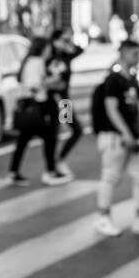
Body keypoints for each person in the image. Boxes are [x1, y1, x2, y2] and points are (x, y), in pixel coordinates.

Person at [90, 39, 139, 237]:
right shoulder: (113, 80)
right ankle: (103, 217)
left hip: (133, 137)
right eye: (135, 54)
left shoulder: (131, 79)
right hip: (115, 137)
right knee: (110, 176)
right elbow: (111, 109)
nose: (138, 58)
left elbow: (136, 109)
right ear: (123, 53)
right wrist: (126, 133)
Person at [6, 36, 72, 187]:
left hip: (42, 103)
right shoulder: (39, 62)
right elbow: (35, 85)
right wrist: (50, 82)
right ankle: (52, 170)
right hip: (49, 103)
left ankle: (14, 172)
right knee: (55, 135)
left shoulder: (30, 61)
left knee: (25, 140)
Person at [46, 28, 84, 173]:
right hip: (53, 100)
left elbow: (79, 50)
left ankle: (59, 160)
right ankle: (52, 168)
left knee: (76, 130)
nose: (65, 43)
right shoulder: (49, 55)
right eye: (63, 39)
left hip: (63, 102)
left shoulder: (65, 55)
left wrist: (69, 43)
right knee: (52, 134)